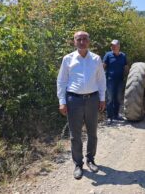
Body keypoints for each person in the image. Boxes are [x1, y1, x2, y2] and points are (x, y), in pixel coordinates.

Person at [57, 31, 106, 179]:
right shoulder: (68, 59)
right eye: (79, 39)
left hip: (92, 99)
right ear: (74, 42)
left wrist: (102, 99)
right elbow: (62, 81)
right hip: (74, 101)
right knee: (75, 135)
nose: (82, 42)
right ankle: (78, 164)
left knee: (92, 132)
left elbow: (101, 80)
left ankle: (91, 160)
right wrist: (62, 101)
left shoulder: (96, 59)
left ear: (88, 41)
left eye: (85, 39)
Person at [103, 39, 128, 125]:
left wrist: (127, 77)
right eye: (112, 46)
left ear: (119, 46)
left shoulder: (123, 56)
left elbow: (125, 67)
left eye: (114, 45)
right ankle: (110, 117)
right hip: (110, 80)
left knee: (118, 98)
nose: (112, 47)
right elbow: (103, 67)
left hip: (120, 80)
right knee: (110, 98)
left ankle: (116, 115)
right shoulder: (108, 55)